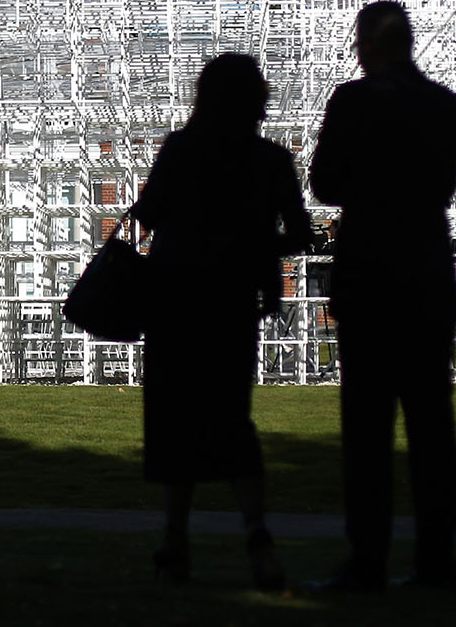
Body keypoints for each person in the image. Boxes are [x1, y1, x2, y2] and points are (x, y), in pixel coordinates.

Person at [128, 52, 312, 589]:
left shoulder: (181, 150)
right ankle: (257, 538)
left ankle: (175, 543)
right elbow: (299, 234)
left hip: (176, 301)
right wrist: (255, 250)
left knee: (174, 419)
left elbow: (147, 215)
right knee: (233, 419)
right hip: (232, 303)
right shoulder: (271, 161)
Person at [308, 1, 456, 592]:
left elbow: (324, 183)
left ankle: (368, 561)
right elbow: (442, 184)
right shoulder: (447, 107)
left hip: (371, 280)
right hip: (426, 276)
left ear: (367, 46)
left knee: (367, 433)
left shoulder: (353, 103)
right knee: (433, 427)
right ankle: (437, 561)